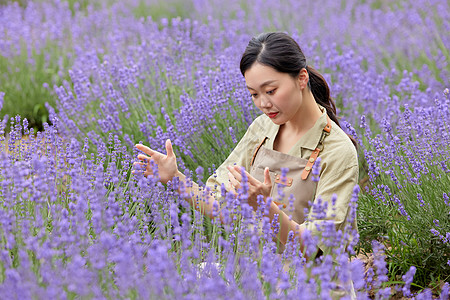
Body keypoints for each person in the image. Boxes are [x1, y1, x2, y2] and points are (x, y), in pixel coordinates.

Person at [135, 32, 359, 298]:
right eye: (254, 94)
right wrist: (176, 179)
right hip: (255, 281)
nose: (264, 104)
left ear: (301, 78)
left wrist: (265, 207)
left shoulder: (337, 151)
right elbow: (222, 206)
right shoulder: (264, 128)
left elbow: (312, 247)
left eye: (271, 91)